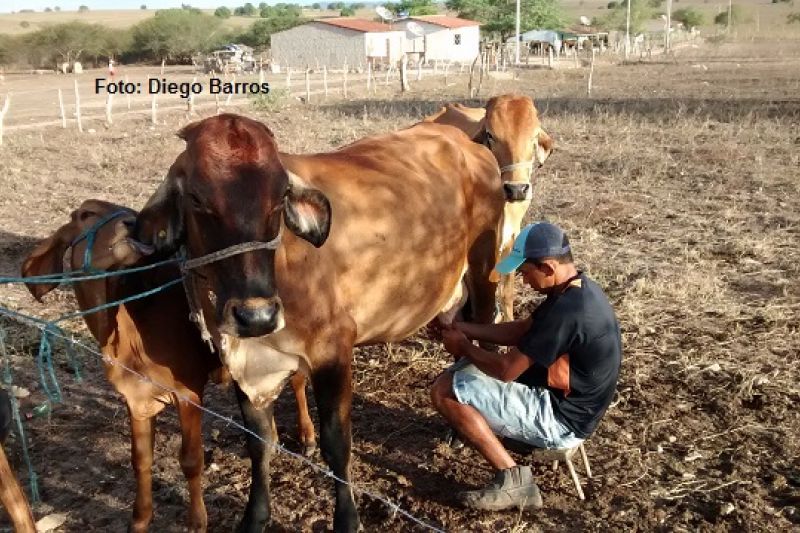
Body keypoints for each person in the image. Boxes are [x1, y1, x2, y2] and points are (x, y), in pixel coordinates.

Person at [430, 221, 622, 511]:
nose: (522, 280)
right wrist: (462, 329)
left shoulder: (568, 312)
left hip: (562, 420)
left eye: (525, 271)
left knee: (445, 389)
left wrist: (464, 347)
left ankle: (515, 480)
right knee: (466, 372)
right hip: (577, 405)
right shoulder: (576, 290)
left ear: (547, 267)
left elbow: (506, 370)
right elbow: (520, 331)